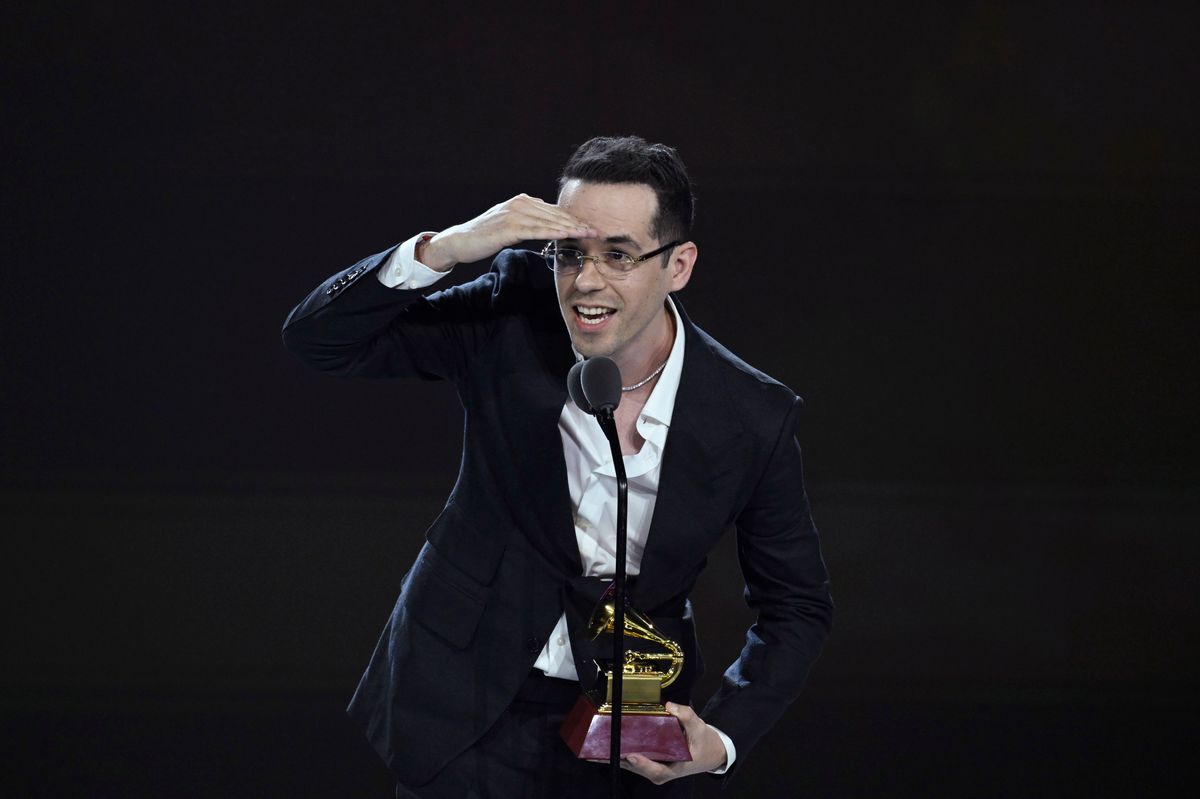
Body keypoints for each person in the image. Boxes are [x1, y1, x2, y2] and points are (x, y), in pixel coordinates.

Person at [281, 135, 833, 798]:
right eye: (570, 253)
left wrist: (724, 736)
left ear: (678, 265)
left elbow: (796, 604)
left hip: (627, 733)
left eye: (619, 255)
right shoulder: (512, 312)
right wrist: (444, 249)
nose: (586, 280)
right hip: (462, 705)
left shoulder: (753, 415)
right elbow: (319, 339)